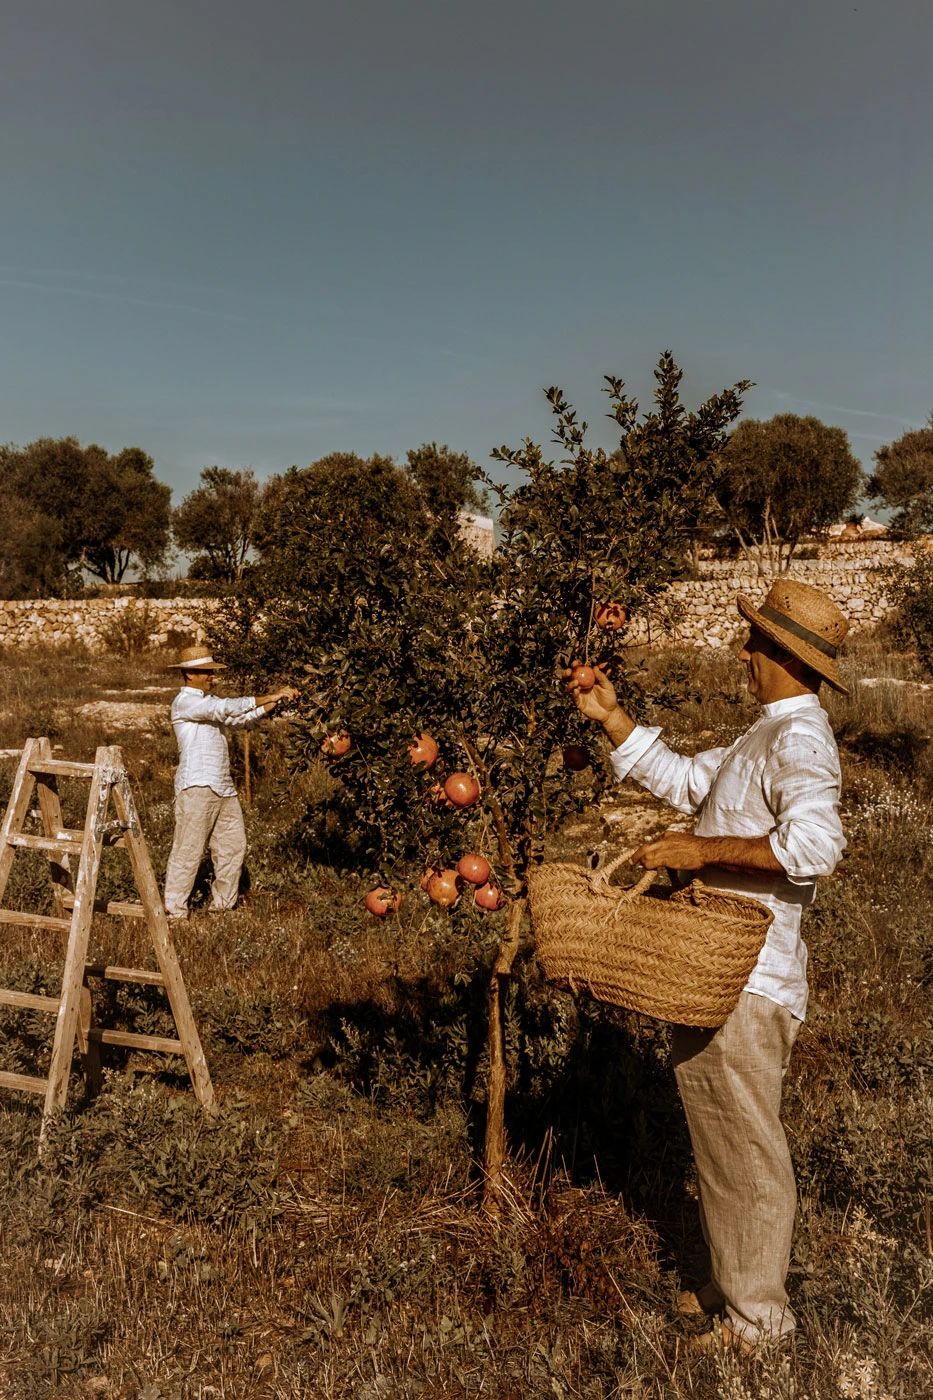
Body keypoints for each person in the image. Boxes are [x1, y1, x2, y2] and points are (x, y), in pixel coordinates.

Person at [567, 579, 848, 1353]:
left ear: (781, 655)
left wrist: (701, 851)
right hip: (716, 970)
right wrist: (613, 720)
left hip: (748, 976)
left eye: (752, 642)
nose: (741, 652)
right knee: (723, 1144)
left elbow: (814, 848)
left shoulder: (797, 739)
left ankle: (757, 1323)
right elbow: (693, 782)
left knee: (746, 1149)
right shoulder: (764, 735)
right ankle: (736, 1286)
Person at [163, 645, 299, 920]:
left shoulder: (206, 703)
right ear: (190, 674)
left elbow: (237, 716)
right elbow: (225, 708)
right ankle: (174, 912)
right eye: (207, 672)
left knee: (233, 847)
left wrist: (274, 703)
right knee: (188, 850)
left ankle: (222, 908)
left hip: (222, 787)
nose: (213, 677)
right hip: (197, 786)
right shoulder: (186, 702)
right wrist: (267, 696)